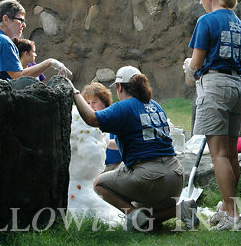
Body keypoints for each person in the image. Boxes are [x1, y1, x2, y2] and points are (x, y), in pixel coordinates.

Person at [69, 66, 197, 231]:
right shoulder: (155, 105)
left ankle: (135, 218)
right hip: (176, 177)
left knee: (99, 184)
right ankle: (180, 210)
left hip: (150, 178)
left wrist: (75, 93)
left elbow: (92, 118)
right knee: (144, 215)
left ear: (120, 87)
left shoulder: (124, 106)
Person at [183, 0, 241, 231]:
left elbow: (196, 64)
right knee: (232, 153)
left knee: (218, 153)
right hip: (237, 87)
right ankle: (227, 206)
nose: (200, 1)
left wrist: (188, 67)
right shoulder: (240, 24)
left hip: (215, 86)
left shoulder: (206, 21)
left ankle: (233, 215)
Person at [0, 0, 71, 80]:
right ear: (6, 19)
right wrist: (50, 62)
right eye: (20, 20)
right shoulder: (3, 41)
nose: (24, 25)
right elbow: (19, 76)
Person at [80, 82, 122, 172]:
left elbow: (123, 143)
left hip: (116, 166)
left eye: (94, 102)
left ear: (105, 102)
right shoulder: (82, 122)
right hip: (94, 168)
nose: (91, 106)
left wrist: (101, 141)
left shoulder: (115, 118)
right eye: (87, 103)